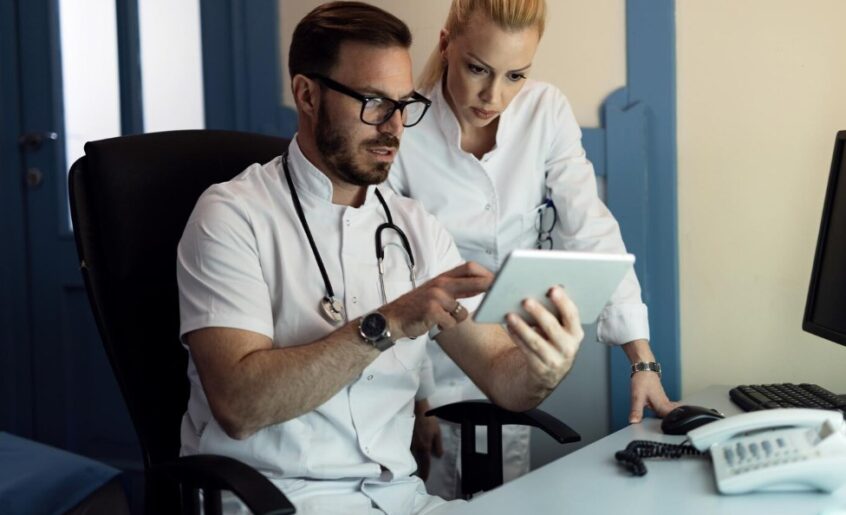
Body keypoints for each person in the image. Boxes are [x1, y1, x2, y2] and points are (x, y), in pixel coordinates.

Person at [176, 2, 584, 514]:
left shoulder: (419, 229)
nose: (394, 127)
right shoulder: (232, 216)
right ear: (307, 94)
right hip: (277, 501)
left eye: (403, 103)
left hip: (400, 500)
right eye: (373, 102)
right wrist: (387, 322)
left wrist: (548, 363)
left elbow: (504, 377)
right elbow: (239, 405)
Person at [388, 0, 678, 499]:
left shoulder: (546, 111)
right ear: (445, 45)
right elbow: (392, 265)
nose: (492, 95)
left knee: (507, 495)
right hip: (425, 352)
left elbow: (592, 229)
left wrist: (642, 359)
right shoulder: (404, 124)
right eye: (477, 68)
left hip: (515, 349)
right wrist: (418, 396)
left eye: (515, 75)